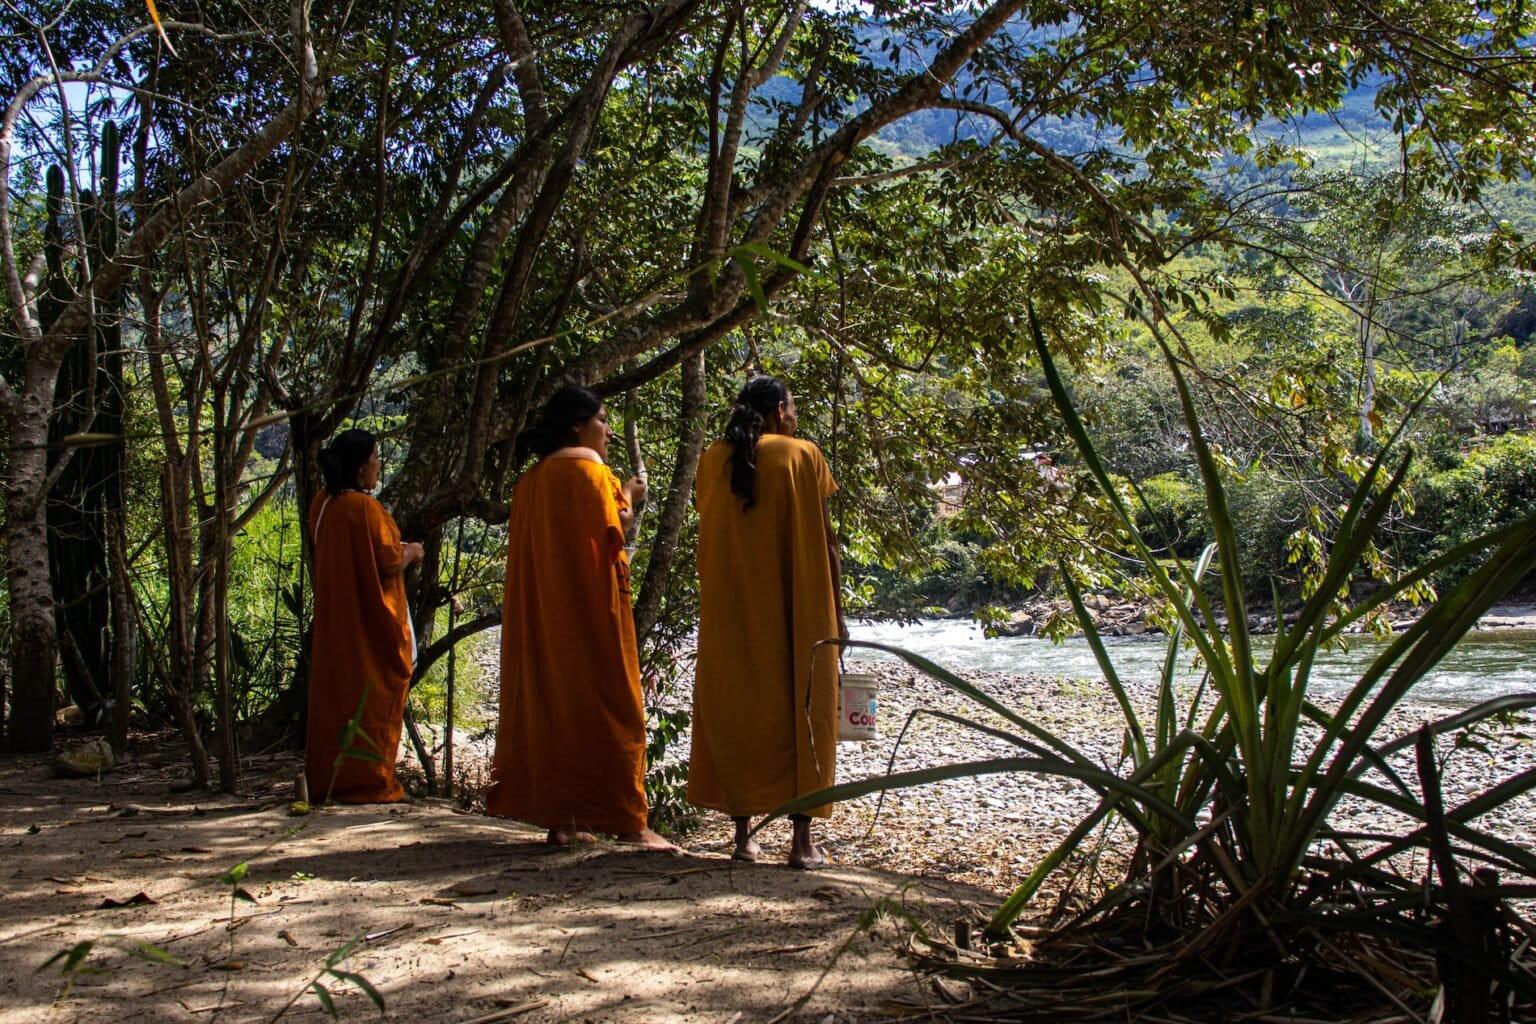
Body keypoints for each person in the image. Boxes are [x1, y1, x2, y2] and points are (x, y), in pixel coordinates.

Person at [488, 383, 675, 850]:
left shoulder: (529, 483)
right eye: (602, 421)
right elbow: (616, 524)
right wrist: (629, 494)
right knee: (612, 704)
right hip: (591, 610)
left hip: (543, 615)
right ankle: (631, 823)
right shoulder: (592, 472)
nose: (608, 431)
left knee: (554, 703)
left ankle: (562, 820)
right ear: (577, 426)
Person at [689, 376, 846, 869]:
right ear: (779, 410)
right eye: (793, 408)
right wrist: (839, 613)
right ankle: (801, 843)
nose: (795, 416)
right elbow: (825, 540)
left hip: (731, 610)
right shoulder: (803, 455)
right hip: (797, 604)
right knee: (804, 707)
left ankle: (744, 838)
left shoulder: (712, 460)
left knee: (739, 708)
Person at [305, 428, 424, 803]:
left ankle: (331, 780)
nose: (378, 465)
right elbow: (389, 559)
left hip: (336, 617)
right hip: (369, 623)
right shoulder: (365, 508)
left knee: (337, 697)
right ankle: (372, 783)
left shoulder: (322, 504)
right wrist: (413, 551)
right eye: (375, 458)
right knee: (374, 695)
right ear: (360, 468)